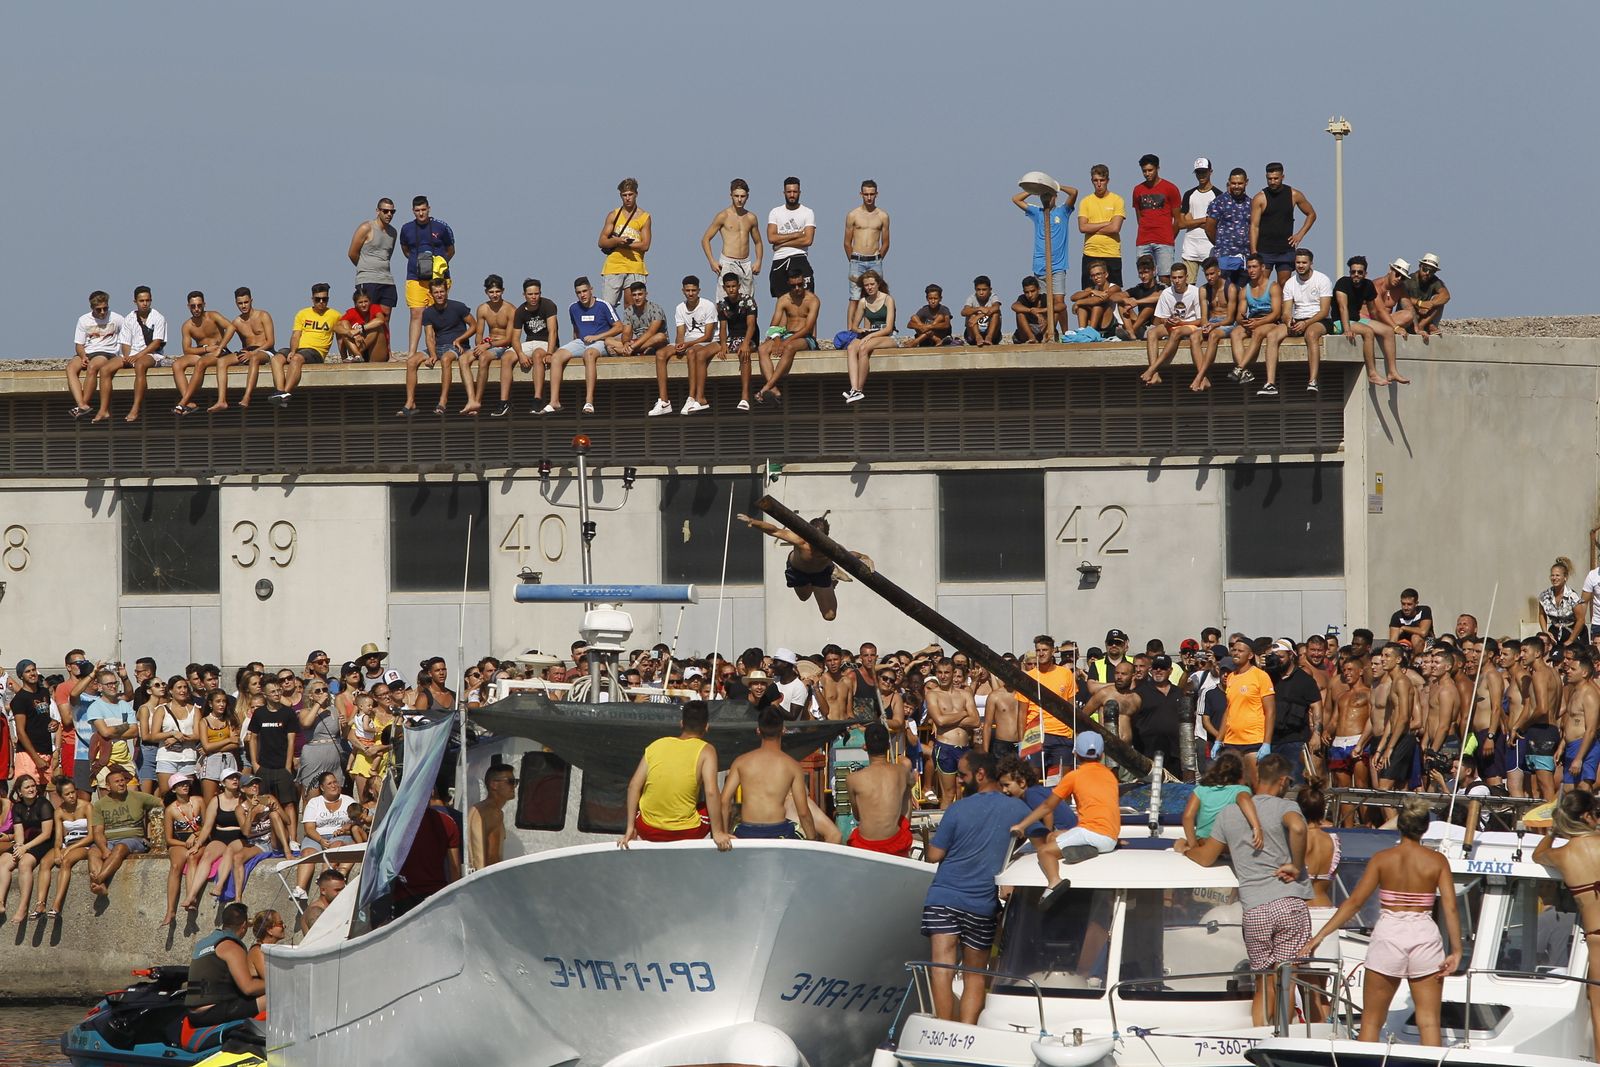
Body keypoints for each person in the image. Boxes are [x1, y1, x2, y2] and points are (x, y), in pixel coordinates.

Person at [1305, 796, 1461, 1044]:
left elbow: (1353, 902)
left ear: (1400, 825)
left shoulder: (1382, 859)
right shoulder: (1437, 861)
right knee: (1429, 1022)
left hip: (1389, 936)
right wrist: (1457, 950)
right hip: (1425, 937)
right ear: (1425, 827)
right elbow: (1451, 908)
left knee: (1371, 1022)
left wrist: (1320, 935)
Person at [1178, 754, 1312, 1026]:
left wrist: (1185, 849)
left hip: (1255, 909)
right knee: (1286, 982)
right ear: (1284, 781)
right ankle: (1283, 1039)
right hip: (1288, 904)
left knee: (1263, 984)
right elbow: (1297, 828)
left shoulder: (1229, 814)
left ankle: (1261, 1036)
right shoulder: (1286, 806)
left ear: (1256, 777)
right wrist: (1296, 865)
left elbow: (1205, 858)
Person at [921, 750, 1031, 1024]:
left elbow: (934, 855)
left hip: (944, 897)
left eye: (962, 775)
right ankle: (967, 1031)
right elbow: (1042, 834)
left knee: (942, 970)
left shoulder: (957, 808)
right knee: (975, 975)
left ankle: (944, 1028)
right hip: (981, 905)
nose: (958, 781)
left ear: (980, 775)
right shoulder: (1017, 809)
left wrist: (927, 840)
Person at [1010, 732, 1120, 905]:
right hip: (1111, 838)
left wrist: (1022, 825)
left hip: (1091, 832)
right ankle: (1089, 848)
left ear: (1075, 753)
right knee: (1056, 836)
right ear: (1102, 755)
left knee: (1045, 851)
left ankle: (1054, 882)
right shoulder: (1111, 777)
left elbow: (1047, 807)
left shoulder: (1074, 776)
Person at [1531, 790, 1600, 1054]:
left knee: (1598, 1004)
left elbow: (1538, 855)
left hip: (1597, 935)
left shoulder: (1563, 855)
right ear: (1586, 816)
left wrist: (1552, 831)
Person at [620, 701, 730, 849]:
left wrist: (630, 828)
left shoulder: (656, 745)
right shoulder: (707, 750)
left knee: (643, 808)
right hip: (687, 832)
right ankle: (720, 841)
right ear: (706, 727)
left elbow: (633, 786)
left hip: (647, 829)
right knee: (712, 806)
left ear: (681, 723)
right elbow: (711, 792)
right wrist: (718, 832)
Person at [721, 707, 816, 840]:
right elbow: (803, 812)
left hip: (747, 831)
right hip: (778, 831)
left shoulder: (741, 762)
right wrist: (813, 841)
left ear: (758, 731)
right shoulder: (792, 766)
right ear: (783, 730)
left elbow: (725, 801)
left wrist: (724, 834)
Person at [545, 276, 621, 415]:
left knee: (589, 354)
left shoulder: (603, 305)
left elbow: (619, 327)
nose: (582, 295)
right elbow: (576, 330)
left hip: (601, 341)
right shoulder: (573, 308)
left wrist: (597, 337)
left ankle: (589, 401)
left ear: (591, 290)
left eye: (585, 291)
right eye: (579, 292)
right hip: (581, 341)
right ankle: (554, 401)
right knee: (556, 357)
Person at [1260, 249, 1331, 397]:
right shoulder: (1290, 283)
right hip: (1298, 319)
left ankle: (1313, 381)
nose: (1300, 265)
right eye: (1298, 262)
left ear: (1311, 263)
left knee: (1311, 335)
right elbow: (1286, 311)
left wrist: (1306, 323)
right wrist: (1288, 321)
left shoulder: (1322, 279)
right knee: (1272, 335)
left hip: (1317, 319)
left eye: (1304, 262)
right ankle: (1270, 383)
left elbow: (1324, 311)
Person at [94, 285, 167, 423]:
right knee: (105, 369)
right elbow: (125, 343)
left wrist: (137, 357)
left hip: (151, 354)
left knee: (140, 365)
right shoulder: (129, 318)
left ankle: (135, 407)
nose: (145, 303)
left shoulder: (158, 317)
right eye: (141, 301)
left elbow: (156, 343)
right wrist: (127, 357)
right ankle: (103, 409)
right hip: (132, 354)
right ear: (135, 301)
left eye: (147, 300)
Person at [402, 279, 475, 416]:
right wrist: (432, 354)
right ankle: (410, 401)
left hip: (456, 346)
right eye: (436, 292)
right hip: (438, 346)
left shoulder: (458, 307)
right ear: (431, 294)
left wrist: (460, 339)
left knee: (446, 359)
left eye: (442, 291)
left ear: (446, 292)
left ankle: (443, 401)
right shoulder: (428, 312)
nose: (439, 295)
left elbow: (474, 325)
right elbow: (429, 336)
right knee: (411, 361)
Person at [186, 902, 266, 1025]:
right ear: (244, 924)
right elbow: (248, 988)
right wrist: (276, 982)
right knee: (275, 997)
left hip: (193, 1012)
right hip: (211, 1013)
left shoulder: (204, 943)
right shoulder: (231, 946)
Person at [86, 765, 161, 896]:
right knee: (93, 851)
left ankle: (98, 879)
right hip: (109, 840)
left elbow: (161, 802)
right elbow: (97, 831)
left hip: (134, 839)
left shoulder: (138, 797)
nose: (121, 783)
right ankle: (102, 887)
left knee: (120, 848)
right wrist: (104, 849)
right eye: (117, 782)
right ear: (108, 787)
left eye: (122, 780)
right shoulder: (99, 805)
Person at [653, 275, 722, 416]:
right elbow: (680, 333)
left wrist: (687, 344)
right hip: (688, 341)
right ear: (683, 291)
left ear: (699, 290)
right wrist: (679, 345)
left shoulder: (708, 305)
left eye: (693, 290)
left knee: (691, 352)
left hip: (705, 341)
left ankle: (691, 397)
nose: (691, 293)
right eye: (688, 290)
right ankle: (664, 401)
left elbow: (708, 336)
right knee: (660, 354)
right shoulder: (680, 308)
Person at [399, 195, 456, 360]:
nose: (421, 213)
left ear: (429, 209)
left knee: (436, 313)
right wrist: (418, 264)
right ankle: (411, 352)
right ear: (413, 211)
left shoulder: (441, 226)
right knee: (416, 313)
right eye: (417, 211)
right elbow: (405, 250)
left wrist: (439, 265)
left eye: (423, 210)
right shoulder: (406, 228)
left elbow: (450, 249)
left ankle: (438, 349)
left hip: (438, 278)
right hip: (415, 277)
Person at [492, 278, 559, 417]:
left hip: (546, 342)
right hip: (530, 342)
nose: (533, 297)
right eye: (530, 294)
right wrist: (521, 354)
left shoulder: (548, 305)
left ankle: (537, 399)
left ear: (540, 293)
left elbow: (553, 331)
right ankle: (504, 401)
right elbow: (515, 338)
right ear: (524, 295)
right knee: (506, 357)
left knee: (537, 355)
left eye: (536, 293)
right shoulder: (521, 310)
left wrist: (550, 353)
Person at [268, 283, 343, 406]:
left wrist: (344, 359)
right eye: (318, 299)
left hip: (315, 352)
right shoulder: (302, 313)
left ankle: (285, 393)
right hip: (299, 349)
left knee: (296, 359)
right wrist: (292, 350)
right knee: (276, 358)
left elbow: (340, 340)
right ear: (312, 299)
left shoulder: (335, 315)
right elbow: (295, 335)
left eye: (325, 299)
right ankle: (280, 392)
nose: (321, 302)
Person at [846, 723, 915, 855]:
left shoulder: (852, 779)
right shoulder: (902, 771)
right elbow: (911, 782)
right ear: (888, 746)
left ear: (865, 747)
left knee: (855, 834)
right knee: (907, 788)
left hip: (865, 845)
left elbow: (857, 815)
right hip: (895, 842)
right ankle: (905, 828)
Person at [1216, 635, 1276, 786]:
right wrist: (1219, 739)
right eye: (1234, 650)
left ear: (1250, 655)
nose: (1235, 653)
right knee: (1232, 785)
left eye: (1240, 651)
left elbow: (1270, 711)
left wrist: (1266, 742)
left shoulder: (1260, 676)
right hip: (1231, 741)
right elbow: (1229, 710)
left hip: (1253, 741)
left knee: (1255, 783)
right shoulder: (1230, 677)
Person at [755, 272, 820, 404]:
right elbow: (774, 324)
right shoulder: (783, 300)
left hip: (805, 338)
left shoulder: (813, 300)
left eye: (800, 285)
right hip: (785, 334)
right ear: (788, 285)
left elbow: (808, 328)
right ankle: (774, 390)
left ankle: (766, 387)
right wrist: (778, 340)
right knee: (762, 349)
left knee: (789, 347)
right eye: (793, 286)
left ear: (804, 283)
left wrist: (785, 343)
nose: (797, 288)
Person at [1018, 634, 1078, 777]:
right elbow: (1021, 713)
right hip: (1035, 734)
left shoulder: (1065, 674)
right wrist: (1022, 743)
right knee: (1032, 780)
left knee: (1062, 782)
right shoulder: (1028, 677)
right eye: (1038, 650)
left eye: (1044, 650)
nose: (1041, 653)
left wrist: (1075, 736)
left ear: (1052, 651)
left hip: (1062, 734)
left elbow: (1072, 709)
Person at [170, 291, 237, 414]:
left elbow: (231, 327)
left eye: (199, 305)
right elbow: (187, 350)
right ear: (188, 306)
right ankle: (189, 403)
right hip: (202, 352)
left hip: (219, 352)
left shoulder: (213, 316)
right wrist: (206, 349)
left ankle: (182, 402)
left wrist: (218, 347)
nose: (196, 309)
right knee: (176, 365)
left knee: (201, 363)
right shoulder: (187, 326)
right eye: (193, 306)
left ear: (204, 304)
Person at [1250, 163, 1316, 283]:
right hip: (1264, 249)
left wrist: (1300, 234)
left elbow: (1311, 214)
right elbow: (1254, 226)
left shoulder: (1294, 195)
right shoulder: (1260, 198)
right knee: (1261, 284)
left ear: (1282, 177)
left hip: (1285, 249)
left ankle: (1282, 303)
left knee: (1284, 284)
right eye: (1269, 179)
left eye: (1276, 178)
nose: (1272, 182)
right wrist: (1254, 250)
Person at [1331, 256, 1392, 386]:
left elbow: (1373, 311)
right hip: (1339, 322)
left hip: (1356, 320)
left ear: (1365, 273)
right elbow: (1343, 308)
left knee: (1387, 331)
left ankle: (1392, 371)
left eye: (1359, 272)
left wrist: (1378, 325)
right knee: (1368, 332)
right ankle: (1372, 374)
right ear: (1350, 273)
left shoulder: (1368, 285)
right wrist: (1347, 329)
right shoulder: (1343, 283)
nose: (1356, 275)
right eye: (1353, 272)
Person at [0, 775, 53, 925]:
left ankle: (23, 907)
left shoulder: (43, 804)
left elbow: (47, 833)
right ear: (19, 791)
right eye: (27, 787)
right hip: (27, 841)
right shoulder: (18, 807)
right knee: (3, 861)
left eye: (33, 786)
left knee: (24, 863)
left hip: (44, 842)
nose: (31, 789)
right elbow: (19, 832)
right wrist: (19, 845)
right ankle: (0, 901)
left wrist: (25, 848)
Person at [1139, 262, 1202, 386]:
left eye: (1180, 277)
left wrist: (1182, 322)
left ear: (1186, 277)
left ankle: (1152, 369)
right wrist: (1167, 321)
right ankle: (1155, 374)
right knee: (1152, 333)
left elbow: (1200, 321)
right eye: (1174, 278)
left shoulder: (1196, 292)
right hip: (1174, 324)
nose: (1177, 281)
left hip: (1191, 325)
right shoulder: (1167, 293)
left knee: (1177, 331)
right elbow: (1161, 318)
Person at [1012, 181, 1076, 303]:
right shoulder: (1037, 212)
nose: (1046, 198)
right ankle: (1047, 323)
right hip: (1040, 264)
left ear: (1055, 196)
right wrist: (1034, 189)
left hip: (1057, 265)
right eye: (1043, 195)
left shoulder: (1063, 211)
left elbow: (1074, 193)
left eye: (1049, 195)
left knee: (1059, 301)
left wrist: (1056, 186)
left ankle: (1063, 323)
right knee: (1044, 301)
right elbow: (1016, 199)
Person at [296, 771, 358, 897]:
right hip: (316, 836)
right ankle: (300, 888)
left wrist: (346, 829)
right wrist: (320, 840)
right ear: (322, 787)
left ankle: (324, 876)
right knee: (307, 853)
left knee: (338, 845)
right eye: (329, 783)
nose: (334, 785)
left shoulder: (348, 801)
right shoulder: (314, 803)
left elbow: (357, 821)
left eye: (335, 782)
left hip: (340, 835)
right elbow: (309, 828)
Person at [1182, 751, 1262, 847]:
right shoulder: (1241, 790)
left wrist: (1193, 845)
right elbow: (1244, 800)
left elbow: (1187, 817)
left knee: (1180, 843)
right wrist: (1256, 827)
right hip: (1225, 844)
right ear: (1240, 773)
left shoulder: (1200, 790)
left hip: (1203, 842)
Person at [701, 178, 763, 298]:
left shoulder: (751, 218)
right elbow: (705, 239)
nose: (739, 199)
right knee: (724, 302)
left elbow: (758, 242)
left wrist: (759, 260)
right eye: (736, 196)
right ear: (731, 196)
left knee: (747, 303)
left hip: (745, 263)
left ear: (747, 196)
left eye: (742, 196)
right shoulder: (723, 216)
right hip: (727, 262)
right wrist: (712, 261)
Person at [66, 290, 124, 418]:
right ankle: (81, 403)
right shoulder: (83, 320)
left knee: (93, 367)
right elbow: (79, 344)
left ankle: (84, 403)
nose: (103, 312)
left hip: (106, 352)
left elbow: (127, 338)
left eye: (105, 308)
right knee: (71, 367)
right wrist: (82, 356)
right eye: (99, 310)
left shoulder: (117, 319)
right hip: (87, 351)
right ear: (92, 308)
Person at [842, 271, 896, 404]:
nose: (869, 287)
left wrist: (871, 335)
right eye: (866, 285)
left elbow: (888, 328)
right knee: (851, 348)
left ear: (878, 284)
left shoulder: (888, 299)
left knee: (864, 348)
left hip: (886, 335)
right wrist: (861, 330)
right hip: (869, 333)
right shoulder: (863, 302)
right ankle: (853, 388)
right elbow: (854, 326)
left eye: (872, 284)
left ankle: (860, 389)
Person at [218, 287, 277, 409]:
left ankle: (247, 396)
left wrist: (253, 353)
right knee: (221, 361)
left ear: (251, 301)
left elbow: (271, 341)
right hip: (247, 351)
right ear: (236, 304)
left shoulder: (263, 315)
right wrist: (217, 350)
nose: (243, 306)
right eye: (240, 303)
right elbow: (224, 342)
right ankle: (221, 400)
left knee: (254, 358)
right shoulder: (237, 322)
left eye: (246, 302)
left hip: (265, 350)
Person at [844, 179, 891, 329]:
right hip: (857, 260)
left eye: (871, 194)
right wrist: (853, 260)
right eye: (866, 194)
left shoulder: (882, 216)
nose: (869, 197)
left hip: (874, 260)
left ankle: (870, 330)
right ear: (861, 194)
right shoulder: (853, 215)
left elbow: (886, 242)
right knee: (855, 298)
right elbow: (846, 242)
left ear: (876, 194)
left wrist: (878, 258)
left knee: (875, 297)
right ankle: (851, 330)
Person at [598, 178, 652, 308]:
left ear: (636, 194)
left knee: (632, 305)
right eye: (624, 195)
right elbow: (602, 241)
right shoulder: (613, 215)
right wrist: (617, 241)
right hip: (614, 265)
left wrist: (626, 244)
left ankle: (630, 329)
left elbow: (645, 245)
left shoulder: (644, 217)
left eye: (630, 195)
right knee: (608, 306)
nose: (627, 198)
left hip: (635, 265)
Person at [158, 773, 203, 926]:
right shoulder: (170, 810)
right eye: (180, 784)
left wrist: (196, 835)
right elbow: (169, 839)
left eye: (186, 783)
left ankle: (191, 898)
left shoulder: (198, 801)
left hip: (199, 837)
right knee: (176, 866)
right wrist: (185, 844)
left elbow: (209, 824)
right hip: (179, 842)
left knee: (192, 858)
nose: (185, 786)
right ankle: (170, 910)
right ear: (173, 789)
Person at [1131, 154, 1181, 282]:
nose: (1147, 174)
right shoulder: (1138, 190)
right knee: (1145, 277)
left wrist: (1169, 236)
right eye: (1144, 171)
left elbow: (1177, 219)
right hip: (1143, 241)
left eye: (1150, 170)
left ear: (1157, 168)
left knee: (1165, 277)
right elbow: (1139, 217)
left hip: (1164, 241)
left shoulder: (1170, 188)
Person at [715, 272, 760, 410]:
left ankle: (745, 396)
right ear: (724, 288)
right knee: (706, 351)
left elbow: (751, 325)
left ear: (739, 286)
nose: (731, 289)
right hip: (731, 338)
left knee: (744, 354)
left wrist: (746, 343)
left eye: (734, 286)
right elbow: (723, 328)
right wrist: (723, 346)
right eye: (728, 286)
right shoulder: (722, 304)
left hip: (748, 337)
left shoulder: (748, 301)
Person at [348, 197, 398, 320]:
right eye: (385, 211)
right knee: (368, 317)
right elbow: (352, 253)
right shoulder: (366, 227)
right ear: (378, 211)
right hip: (368, 279)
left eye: (392, 211)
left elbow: (387, 255)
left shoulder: (393, 232)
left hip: (386, 279)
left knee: (384, 318)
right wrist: (365, 266)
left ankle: (385, 340)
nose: (389, 214)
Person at [766, 177, 816, 299]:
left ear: (799, 192)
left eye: (794, 192)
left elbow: (808, 240)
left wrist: (782, 243)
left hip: (799, 257)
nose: (792, 195)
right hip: (780, 259)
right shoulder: (775, 212)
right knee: (783, 301)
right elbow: (771, 238)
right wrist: (796, 234)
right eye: (789, 192)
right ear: (784, 193)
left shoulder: (807, 212)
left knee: (807, 299)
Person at [1078, 164, 1126, 287]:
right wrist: (1106, 223)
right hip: (1090, 253)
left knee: (1114, 294)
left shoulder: (1117, 200)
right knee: (1088, 293)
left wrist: (1092, 228)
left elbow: (1115, 228)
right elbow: (1082, 227)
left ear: (1107, 181)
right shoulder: (1085, 201)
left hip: (1111, 253)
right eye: (1096, 180)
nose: (1099, 184)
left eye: (1102, 180)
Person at [1206, 168, 1253, 287]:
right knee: (1224, 293)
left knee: (1242, 294)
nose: (1236, 186)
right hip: (1224, 256)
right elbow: (1209, 228)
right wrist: (1219, 243)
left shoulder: (1251, 203)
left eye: (1240, 183)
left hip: (1244, 257)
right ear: (1229, 182)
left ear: (1246, 182)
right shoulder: (1219, 202)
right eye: (1233, 183)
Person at [1178, 158, 1218, 281]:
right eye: (1198, 172)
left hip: (1209, 247)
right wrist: (1205, 220)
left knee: (1213, 284)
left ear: (1210, 172)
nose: (1201, 175)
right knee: (1188, 286)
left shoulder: (1218, 195)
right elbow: (1181, 223)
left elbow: (1216, 224)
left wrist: (1192, 221)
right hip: (1190, 248)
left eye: (1204, 172)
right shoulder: (1189, 194)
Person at [469, 763, 516, 869]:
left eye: (515, 782)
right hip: (485, 880)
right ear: (494, 784)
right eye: (510, 782)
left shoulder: (476, 809)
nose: (514, 786)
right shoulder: (494, 813)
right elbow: (492, 857)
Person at [610, 281, 669, 359]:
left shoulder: (656, 309)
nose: (637, 298)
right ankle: (636, 350)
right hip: (636, 340)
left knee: (660, 337)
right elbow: (627, 332)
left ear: (646, 294)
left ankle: (630, 351)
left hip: (652, 340)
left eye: (640, 294)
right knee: (608, 340)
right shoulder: (629, 311)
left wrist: (632, 347)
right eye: (634, 295)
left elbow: (651, 332)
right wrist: (626, 343)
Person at [337, 286, 389, 364]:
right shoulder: (352, 312)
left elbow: (381, 320)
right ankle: (356, 355)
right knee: (343, 324)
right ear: (355, 304)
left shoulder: (374, 308)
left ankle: (355, 354)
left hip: (376, 352)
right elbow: (336, 327)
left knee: (377, 326)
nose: (363, 305)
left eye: (366, 301)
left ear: (370, 302)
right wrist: (351, 334)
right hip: (358, 348)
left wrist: (360, 329)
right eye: (360, 302)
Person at [1542, 557, 1584, 647]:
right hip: (1554, 632)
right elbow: (1541, 614)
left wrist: (1570, 640)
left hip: (1573, 632)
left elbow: (1581, 619)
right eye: (1552, 575)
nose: (1554, 578)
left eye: (1557, 575)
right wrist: (1545, 631)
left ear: (1565, 577)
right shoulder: (1545, 596)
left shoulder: (1572, 597)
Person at [1405, 253, 1450, 335]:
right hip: (1409, 315)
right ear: (1420, 266)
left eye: (1431, 271)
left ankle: (1423, 325)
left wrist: (1430, 304)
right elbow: (1402, 298)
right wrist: (1420, 304)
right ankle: (1424, 326)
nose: (1427, 273)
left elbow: (1446, 296)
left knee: (1439, 299)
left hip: (1424, 316)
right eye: (1425, 269)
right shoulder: (1409, 280)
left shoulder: (1434, 281)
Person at [300, 867, 346, 933]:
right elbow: (326, 937)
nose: (341, 893)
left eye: (343, 889)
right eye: (337, 890)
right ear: (323, 891)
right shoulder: (315, 911)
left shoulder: (334, 906)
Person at [960, 276, 1003, 346]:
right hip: (972, 335)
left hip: (993, 335)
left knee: (996, 314)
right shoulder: (972, 298)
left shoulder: (992, 296)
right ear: (975, 290)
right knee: (971, 314)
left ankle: (989, 337)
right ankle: (978, 337)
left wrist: (979, 316)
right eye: (978, 290)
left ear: (990, 289)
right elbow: (964, 312)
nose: (981, 292)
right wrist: (979, 308)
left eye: (984, 290)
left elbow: (996, 307)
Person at [1010, 276, 1052, 343]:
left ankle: (1048, 337)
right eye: (1027, 292)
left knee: (1055, 311)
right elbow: (1014, 306)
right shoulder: (1023, 299)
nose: (1030, 295)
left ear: (1038, 289)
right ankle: (1032, 338)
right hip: (1027, 333)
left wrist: (1042, 310)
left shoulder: (1045, 298)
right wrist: (1031, 310)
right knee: (1019, 313)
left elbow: (1061, 306)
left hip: (1043, 329)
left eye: (1033, 291)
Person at [247, 909, 286, 979]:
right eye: (280, 923)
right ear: (269, 930)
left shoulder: (269, 949)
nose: (284, 926)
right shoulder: (257, 951)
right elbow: (271, 980)